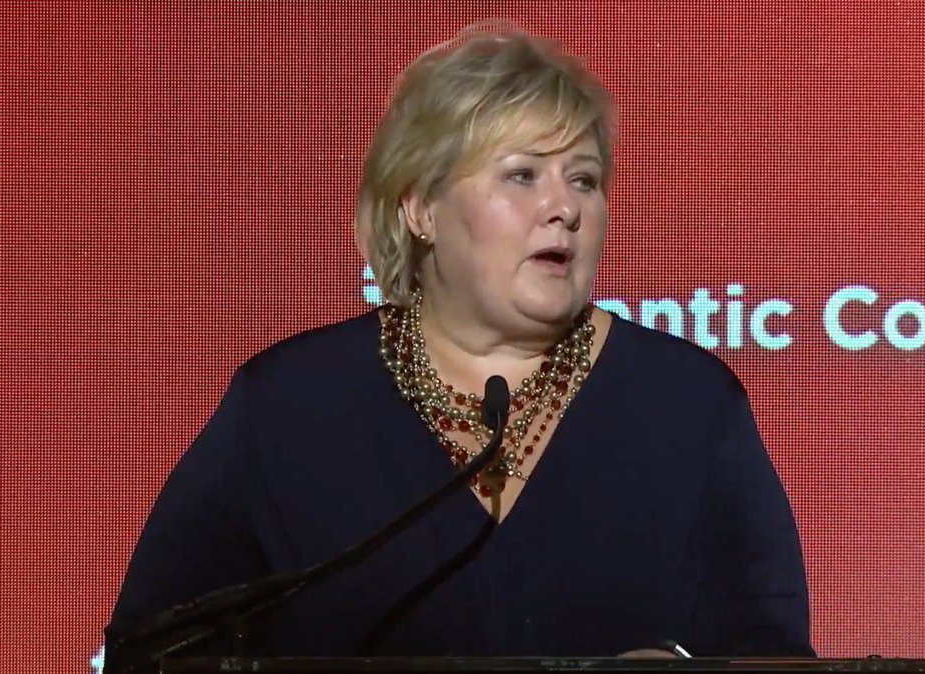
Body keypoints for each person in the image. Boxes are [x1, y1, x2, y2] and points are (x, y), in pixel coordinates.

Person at [103, 21, 814, 666]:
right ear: (421, 208)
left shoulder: (687, 406)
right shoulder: (289, 408)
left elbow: (773, 651)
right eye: (522, 174)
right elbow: (150, 652)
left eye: (585, 180)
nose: (564, 207)